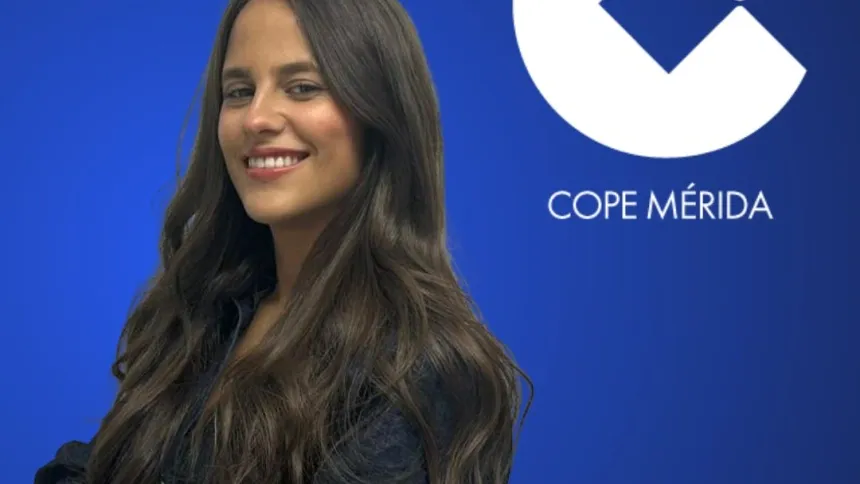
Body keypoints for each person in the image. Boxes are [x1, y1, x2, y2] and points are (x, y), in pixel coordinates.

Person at [35, 0, 532, 482]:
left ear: (380, 114)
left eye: (302, 87)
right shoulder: (205, 313)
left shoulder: (417, 370)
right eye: (238, 91)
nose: (256, 118)